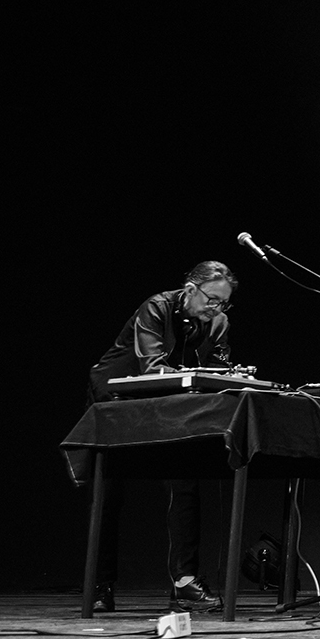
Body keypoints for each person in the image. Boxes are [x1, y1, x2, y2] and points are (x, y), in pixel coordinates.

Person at [87, 260, 238, 613]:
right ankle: (99, 584)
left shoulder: (218, 323)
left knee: (185, 478)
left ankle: (184, 583)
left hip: (171, 400)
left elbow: (218, 368)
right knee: (109, 489)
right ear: (190, 290)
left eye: (223, 303)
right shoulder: (156, 308)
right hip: (116, 398)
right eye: (212, 300)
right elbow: (151, 367)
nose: (216, 309)